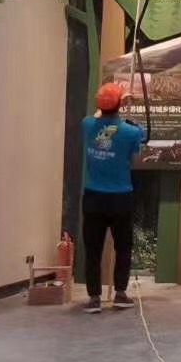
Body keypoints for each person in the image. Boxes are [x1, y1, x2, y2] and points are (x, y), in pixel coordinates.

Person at [80, 82, 147, 314]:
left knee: (93, 250)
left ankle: (94, 298)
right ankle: (120, 293)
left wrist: (116, 102)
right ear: (120, 105)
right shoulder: (131, 132)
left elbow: (98, 116)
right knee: (123, 248)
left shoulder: (87, 125)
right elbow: (142, 140)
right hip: (120, 198)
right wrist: (127, 106)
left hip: (93, 198)